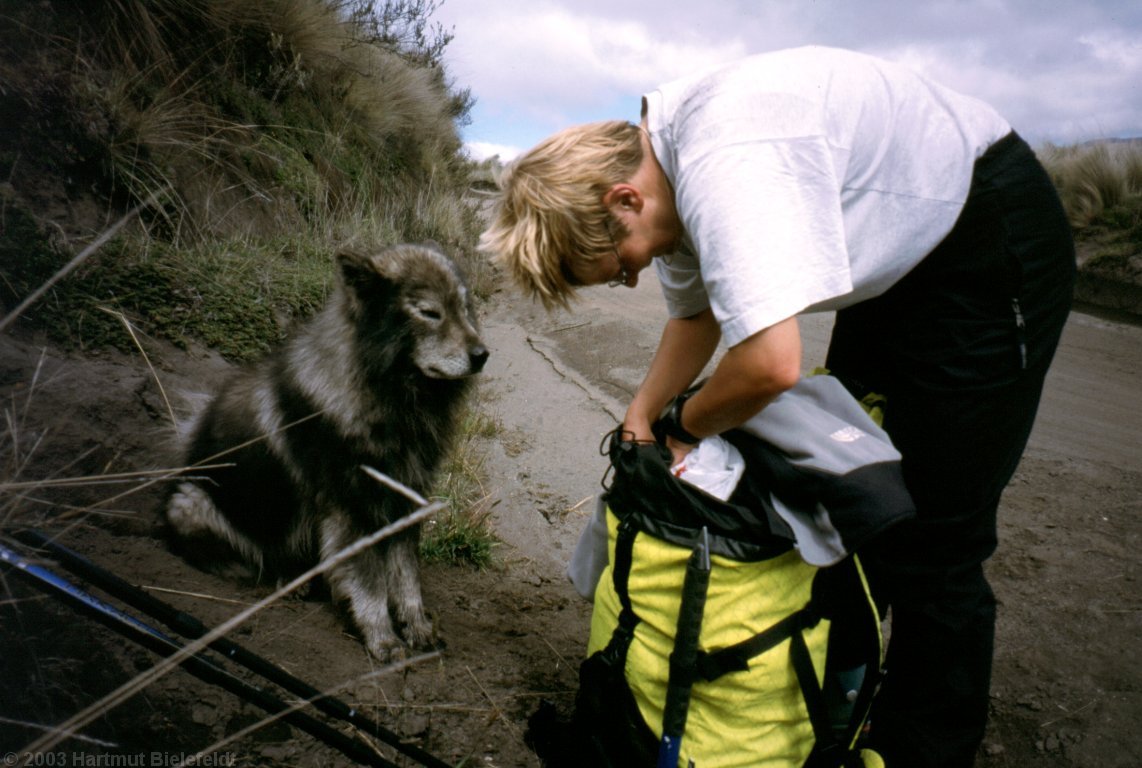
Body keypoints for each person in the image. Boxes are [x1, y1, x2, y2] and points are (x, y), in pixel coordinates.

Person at [480, 46, 1075, 768]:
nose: (630, 281)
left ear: (622, 201)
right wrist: (641, 419)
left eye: (616, 267)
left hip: (986, 238)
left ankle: (923, 748)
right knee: (846, 485)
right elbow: (696, 320)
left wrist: (685, 428)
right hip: (900, 271)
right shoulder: (663, 171)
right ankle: (833, 690)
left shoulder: (725, 164)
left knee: (936, 534)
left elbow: (768, 365)